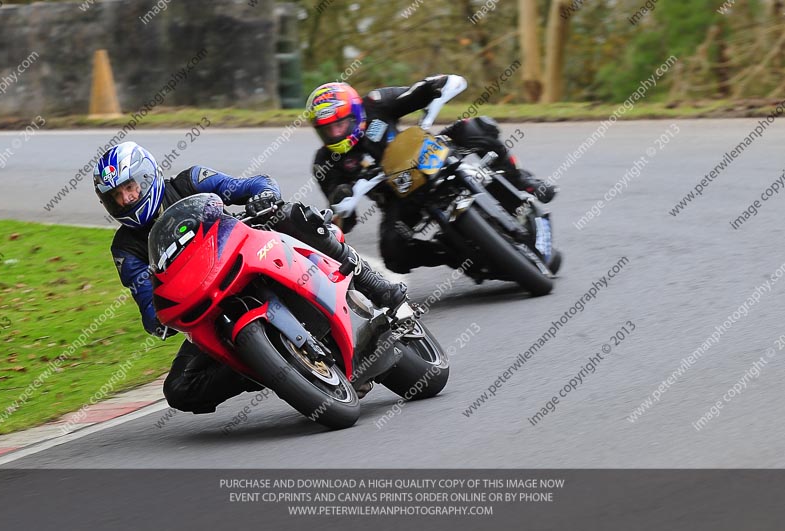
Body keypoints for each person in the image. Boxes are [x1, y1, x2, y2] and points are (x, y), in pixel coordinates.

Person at [93, 141, 404, 413]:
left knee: (287, 214)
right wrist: (157, 319)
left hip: (250, 252)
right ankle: (271, 367)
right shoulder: (124, 247)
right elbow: (146, 298)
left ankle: (372, 282)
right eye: (116, 196)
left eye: (130, 188)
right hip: (209, 303)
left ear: (147, 176)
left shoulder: (190, 180)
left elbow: (252, 185)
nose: (126, 200)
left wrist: (263, 196)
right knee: (179, 390)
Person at [306, 76, 558, 274]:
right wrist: (341, 200)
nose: (335, 134)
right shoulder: (325, 161)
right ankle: (458, 255)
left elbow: (418, 93)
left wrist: (433, 88)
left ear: (355, 113)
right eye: (327, 130)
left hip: (429, 155)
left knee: (475, 127)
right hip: (399, 199)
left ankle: (520, 180)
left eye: (340, 124)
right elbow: (342, 221)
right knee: (393, 253)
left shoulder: (375, 103)